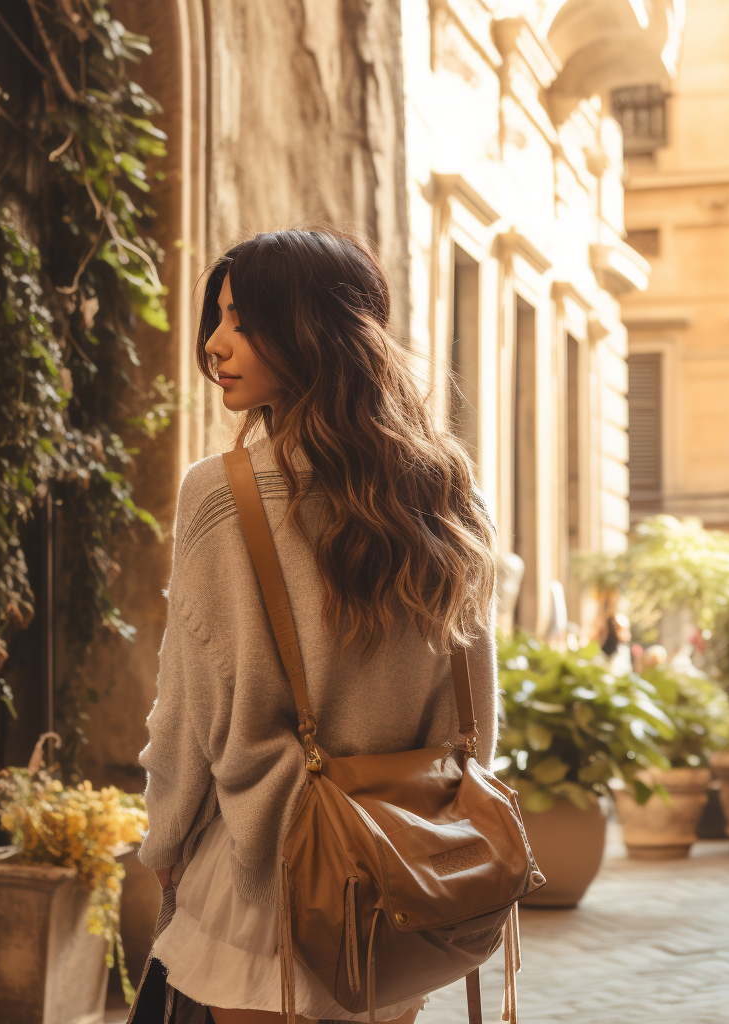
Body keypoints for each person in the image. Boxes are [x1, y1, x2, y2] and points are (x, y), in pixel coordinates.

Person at [137, 229, 500, 1024]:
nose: (214, 343)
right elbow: (475, 705)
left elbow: (188, 712)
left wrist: (163, 847)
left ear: (310, 331)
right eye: (218, 319)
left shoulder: (221, 494)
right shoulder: (444, 486)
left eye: (240, 321)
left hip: (265, 874)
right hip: (402, 880)